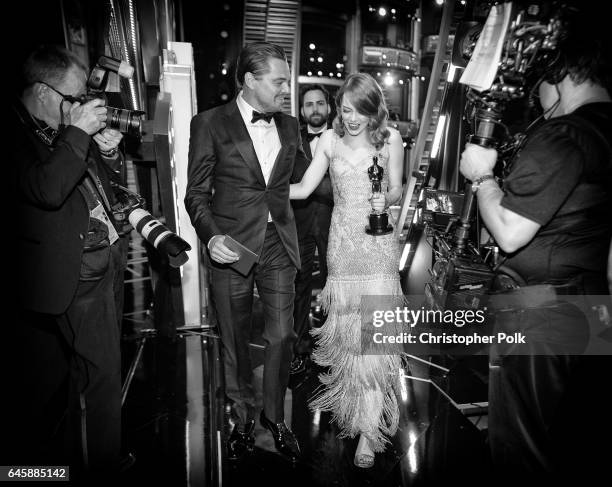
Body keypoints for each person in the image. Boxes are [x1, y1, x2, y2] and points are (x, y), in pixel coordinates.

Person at [459, 5, 612, 482]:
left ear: (561, 73)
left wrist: (483, 176)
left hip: (541, 308)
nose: (537, 96)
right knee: (565, 438)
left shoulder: (565, 133)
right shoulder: (607, 129)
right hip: (585, 301)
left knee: (521, 448)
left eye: (539, 85)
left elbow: (508, 230)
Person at [6, 45, 125, 478]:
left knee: (87, 377)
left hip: (95, 262)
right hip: (59, 273)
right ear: (41, 91)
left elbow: (92, 179)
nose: (76, 106)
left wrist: (106, 152)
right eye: (70, 98)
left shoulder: (54, 123)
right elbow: (48, 188)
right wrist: (78, 132)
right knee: (91, 380)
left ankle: (87, 458)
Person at [185, 42, 307, 461]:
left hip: (279, 242)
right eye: (278, 81)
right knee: (235, 339)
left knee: (281, 334)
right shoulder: (209, 123)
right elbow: (196, 194)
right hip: (231, 245)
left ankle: (275, 417)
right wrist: (211, 235)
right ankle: (241, 416)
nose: (285, 89)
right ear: (251, 81)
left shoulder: (290, 127)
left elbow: (303, 183)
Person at [290, 73, 404, 468]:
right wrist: (252, 191)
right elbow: (303, 189)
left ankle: (369, 433)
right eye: (346, 110)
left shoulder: (390, 140)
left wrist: (384, 196)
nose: (351, 119)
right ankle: (356, 407)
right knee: (349, 339)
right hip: (342, 249)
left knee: (373, 341)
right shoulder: (329, 140)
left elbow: (396, 190)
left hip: (377, 247)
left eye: (359, 111)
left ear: (375, 110)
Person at [290, 84, 334, 376]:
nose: (315, 109)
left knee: (335, 286)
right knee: (299, 285)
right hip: (299, 221)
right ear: (302, 110)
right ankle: (299, 348)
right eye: (309, 104)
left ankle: (332, 348)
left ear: (328, 108)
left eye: (320, 103)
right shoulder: (291, 139)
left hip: (335, 222)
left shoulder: (342, 138)